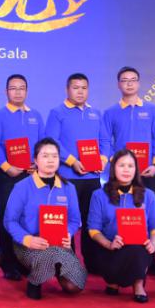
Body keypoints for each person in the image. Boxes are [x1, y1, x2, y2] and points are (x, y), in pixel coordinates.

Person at [3, 138, 86, 300]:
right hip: (29, 244)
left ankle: (49, 269)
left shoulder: (68, 188)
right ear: (35, 160)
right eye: (45, 156)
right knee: (48, 254)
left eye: (54, 156)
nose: (50, 160)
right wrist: (27, 239)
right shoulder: (22, 187)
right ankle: (35, 280)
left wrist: (68, 233)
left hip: (58, 243)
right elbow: (9, 221)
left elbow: (75, 220)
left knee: (75, 285)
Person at [45, 73, 108, 279]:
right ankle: (67, 263)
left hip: (92, 178)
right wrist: (72, 161)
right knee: (67, 220)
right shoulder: (57, 113)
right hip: (67, 176)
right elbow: (52, 141)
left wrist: (103, 159)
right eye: (75, 87)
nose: (80, 91)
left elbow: (105, 141)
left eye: (84, 88)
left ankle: (93, 262)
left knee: (92, 220)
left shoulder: (95, 113)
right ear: (67, 89)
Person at [86, 149, 155, 303]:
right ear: (113, 168)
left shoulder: (148, 195)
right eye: (121, 165)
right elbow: (93, 229)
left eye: (130, 166)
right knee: (114, 255)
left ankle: (138, 285)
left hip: (139, 250)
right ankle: (112, 281)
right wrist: (109, 244)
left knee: (138, 246)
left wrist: (153, 244)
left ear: (136, 170)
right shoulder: (99, 195)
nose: (126, 170)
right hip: (110, 249)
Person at [0, 73, 44, 281]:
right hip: (8, 176)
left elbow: (42, 143)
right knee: (8, 218)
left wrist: (37, 164)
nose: (18, 92)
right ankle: (9, 264)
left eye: (21, 88)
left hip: (31, 176)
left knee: (28, 217)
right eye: (13, 88)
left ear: (27, 91)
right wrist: (7, 167)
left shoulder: (35, 115)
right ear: (6, 92)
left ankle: (25, 261)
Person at [100, 66, 155, 195]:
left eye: (133, 80)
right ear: (118, 85)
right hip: (121, 171)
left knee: (148, 205)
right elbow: (105, 140)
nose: (129, 84)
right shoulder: (110, 112)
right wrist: (116, 160)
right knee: (119, 205)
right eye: (125, 80)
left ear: (138, 83)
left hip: (148, 170)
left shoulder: (152, 109)